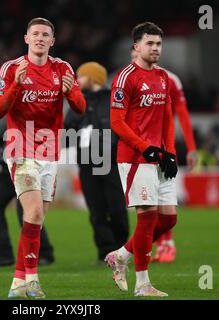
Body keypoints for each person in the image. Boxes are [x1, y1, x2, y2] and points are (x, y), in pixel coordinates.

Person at [0, 17, 86, 299]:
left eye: (46, 34)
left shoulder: (63, 69)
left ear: (52, 41)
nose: (40, 38)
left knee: (37, 221)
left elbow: (80, 108)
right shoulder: (11, 69)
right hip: (20, 148)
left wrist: (70, 92)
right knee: (32, 213)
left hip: (50, 152)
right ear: (26, 38)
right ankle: (32, 281)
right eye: (35, 34)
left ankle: (17, 282)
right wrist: (15, 86)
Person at [105, 22, 177, 297]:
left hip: (159, 157)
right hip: (135, 157)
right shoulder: (126, 78)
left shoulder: (163, 77)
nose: (156, 48)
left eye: (159, 44)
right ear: (136, 46)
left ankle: (121, 255)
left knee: (168, 220)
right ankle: (143, 284)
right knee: (147, 216)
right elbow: (116, 122)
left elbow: (167, 117)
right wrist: (145, 148)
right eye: (150, 43)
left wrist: (169, 151)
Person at [130, 47, 198, 263]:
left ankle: (164, 244)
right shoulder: (128, 79)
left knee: (164, 204)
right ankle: (151, 247)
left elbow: (182, 114)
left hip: (164, 150)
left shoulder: (169, 80)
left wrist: (191, 147)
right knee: (147, 206)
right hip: (140, 150)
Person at [64, 62, 129, 264]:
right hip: (87, 163)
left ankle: (122, 249)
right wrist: (79, 136)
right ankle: (105, 253)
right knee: (96, 211)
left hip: (111, 162)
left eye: (81, 76)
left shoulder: (114, 100)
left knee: (117, 208)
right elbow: (66, 134)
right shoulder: (77, 102)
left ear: (92, 78)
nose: (77, 80)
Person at [0, 116, 55, 267]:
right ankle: (3, 253)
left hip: (29, 166)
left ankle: (43, 252)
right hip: (12, 169)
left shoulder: (19, 103)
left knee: (27, 212)